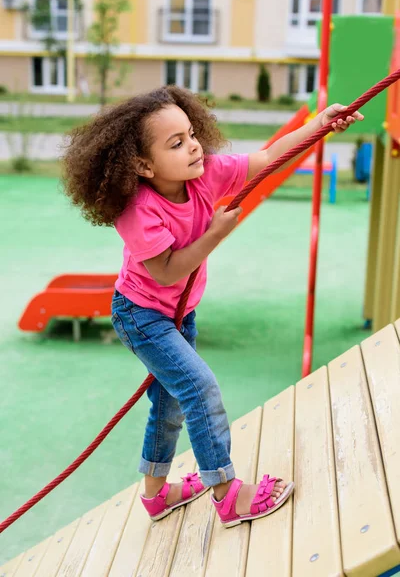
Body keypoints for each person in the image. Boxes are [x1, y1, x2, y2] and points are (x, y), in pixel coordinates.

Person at [62, 85, 363, 528]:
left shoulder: (204, 176)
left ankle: (155, 495)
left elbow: (267, 158)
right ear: (143, 165)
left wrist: (319, 125)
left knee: (170, 404)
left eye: (191, 134)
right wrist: (216, 234)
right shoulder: (138, 211)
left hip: (179, 315)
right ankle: (227, 494)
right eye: (176, 143)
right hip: (142, 317)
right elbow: (166, 272)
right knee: (199, 388)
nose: (193, 145)